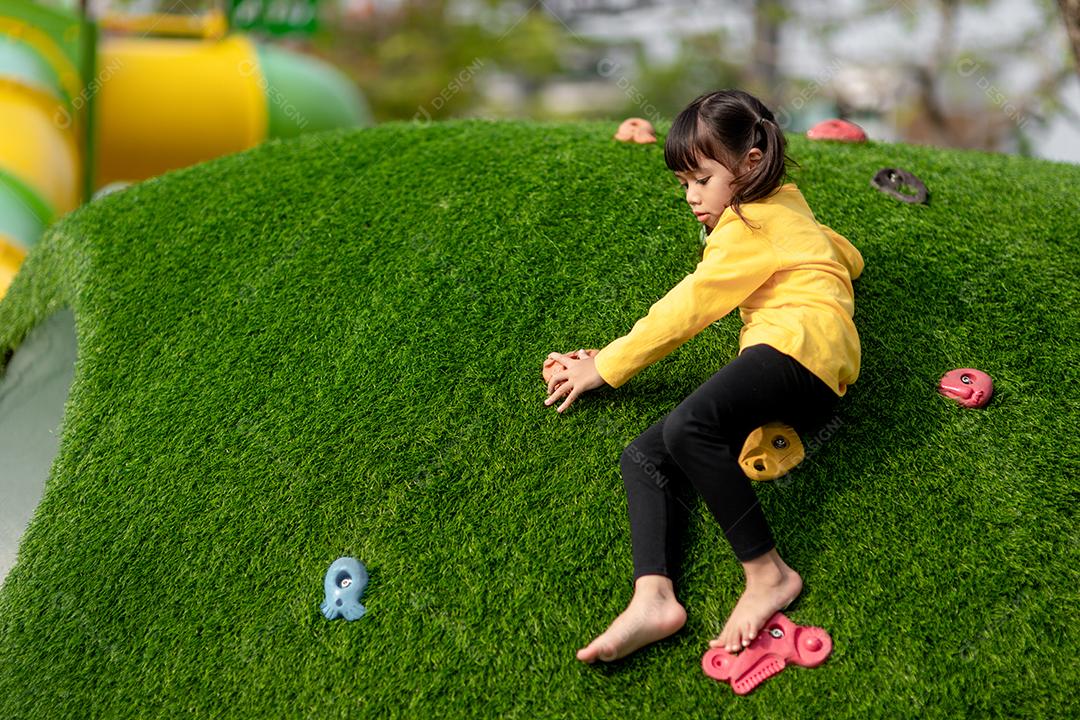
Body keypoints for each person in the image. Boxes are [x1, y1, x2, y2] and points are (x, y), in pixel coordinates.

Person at [542, 89, 864, 664]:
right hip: (807, 361)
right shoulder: (791, 208)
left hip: (800, 350)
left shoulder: (748, 225)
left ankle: (768, 575)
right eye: (684, 183)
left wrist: (605, 365)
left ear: (751, 163)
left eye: (701, 180)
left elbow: (688, 306)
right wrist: (841, 269)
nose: (691, 197)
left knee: (691, 427)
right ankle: (654, 596)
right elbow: (846, 253)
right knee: (648, 454)